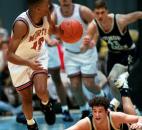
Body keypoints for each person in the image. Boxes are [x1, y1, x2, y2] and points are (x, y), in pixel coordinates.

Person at [7, 0, 62, 130]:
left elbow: (53, 29)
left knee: (41, 90)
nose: (49, 6)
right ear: (37, 9)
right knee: (27, 99)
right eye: (46, 4)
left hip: (38, 56)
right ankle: (31, 123)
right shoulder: (21, 24)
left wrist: (66, 31)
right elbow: (9, 55)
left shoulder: (46, 13)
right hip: (19, 61)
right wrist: (27, 63)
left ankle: (46, 105)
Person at [55, 0, 105, 119]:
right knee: (75, 86)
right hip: (70, 53)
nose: (65, 0)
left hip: (87, 52)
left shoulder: (82, 11)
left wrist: (94, 40)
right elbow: (48, 29)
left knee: (89, 84)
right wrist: (51, 38)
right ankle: (84, 110)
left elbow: (97, 24)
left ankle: (104, 99)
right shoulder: (55, 14)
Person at [83, 0, 142, 76]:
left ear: (107, 11)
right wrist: (89, 43)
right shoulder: (93, 25)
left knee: (120, 78)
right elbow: (88, 40)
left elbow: (138, 14)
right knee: (110, 79)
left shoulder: (120, 20)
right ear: (93, 13)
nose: (100, 16)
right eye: (97, 13)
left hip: (128, 52)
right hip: (112, 54)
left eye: (102, 12)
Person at [47, 0, 73, 122]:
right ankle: (29, 111)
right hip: (37, 46)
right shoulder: (33, 10)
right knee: (34, 80)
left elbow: (65, 29)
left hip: (53, 47)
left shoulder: (58, 10)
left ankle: (65, 110)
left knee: (56, 79)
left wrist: (61, 36)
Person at [65, 96, 142, 130]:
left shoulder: (115, 117)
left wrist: (139, 124)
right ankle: (112, 106)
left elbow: (140, 118)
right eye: (94, 111)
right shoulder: (86, 122)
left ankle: (124, 92)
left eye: (100, 111)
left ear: (106, 112)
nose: (97, 115)